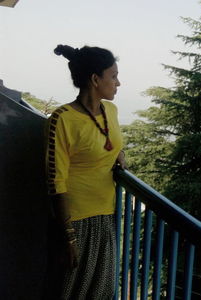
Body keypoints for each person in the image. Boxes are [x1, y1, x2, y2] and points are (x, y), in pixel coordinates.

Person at [45, 44, 126, 300]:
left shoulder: (111, 111)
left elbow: (111, 144)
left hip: (106, 215)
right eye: (113, 76)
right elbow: (55, 181)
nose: (118, 82)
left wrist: (120, 155)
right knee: (71, 291)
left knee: (101, 291)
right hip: (75, 221)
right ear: (95, 79)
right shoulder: (62, 119)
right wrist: (67, 237)